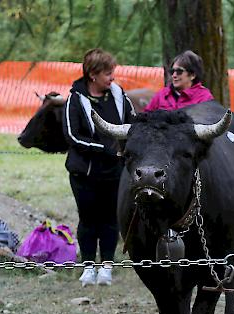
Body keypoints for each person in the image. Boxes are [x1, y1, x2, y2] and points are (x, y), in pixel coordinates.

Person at [62, 48, 135, 287]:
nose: (112, 78)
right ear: (93, 75)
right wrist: (103, 148)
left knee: (110, 219)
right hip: (85, 173)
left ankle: (107, 266)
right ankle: (88, 267)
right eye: (107, 73)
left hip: (114, 171)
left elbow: (131, 123)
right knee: (88, 220)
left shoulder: (118, 95)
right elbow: (73, 136)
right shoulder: (76, 99)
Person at [144, 50, 213, 112]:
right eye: (172, 71)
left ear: (192, 75)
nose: (174, 75)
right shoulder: (161, 95)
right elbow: (145, 120)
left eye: (179, 71)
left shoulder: (204, 97)